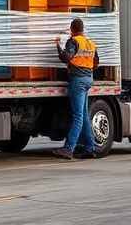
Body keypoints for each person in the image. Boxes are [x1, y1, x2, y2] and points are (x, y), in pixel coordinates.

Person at [53, 18, 99, 160]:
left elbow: (66, 57)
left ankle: (69, 148)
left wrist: (58, 46)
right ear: (82, 29)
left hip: (77, 81)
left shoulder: (73, 41)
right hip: (88, 79)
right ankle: (90, 147)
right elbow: (96, 63)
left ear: (72, 29)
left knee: (77, 116)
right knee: (83, 115)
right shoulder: (90, 43)